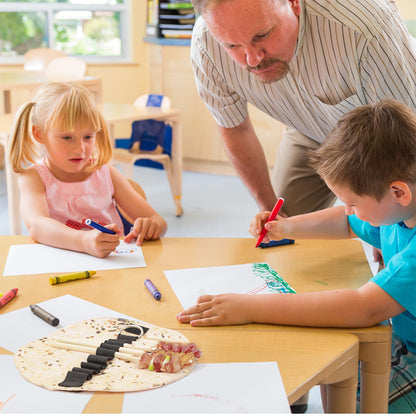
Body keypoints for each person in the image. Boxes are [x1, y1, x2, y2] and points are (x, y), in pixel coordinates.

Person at [177, 99, 416, 413]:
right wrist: (286, 227)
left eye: (353, 202)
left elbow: (362, 307)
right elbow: (345, 222)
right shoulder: (398, 211)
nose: (348, 209)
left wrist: (249, 306)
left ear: (398, 192)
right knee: (335, 366)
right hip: (403, 334)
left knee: (357, 395)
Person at [190, 0, 416, 216]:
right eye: (232, 46)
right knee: (286, 228)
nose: (252, 59)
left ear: (293, 2)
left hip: (389, 134)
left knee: (396, 234)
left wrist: (386, 225)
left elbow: (408, 140)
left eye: (262, 35)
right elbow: (235, 129)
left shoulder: (364, 27)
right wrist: (269, 210)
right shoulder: (206, 45)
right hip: (307, 126)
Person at [8, 82, 167, 258]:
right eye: (67, 137)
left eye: (88, 136)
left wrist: (152, 226)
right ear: (39, 134)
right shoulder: (33, 177)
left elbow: (158, 220)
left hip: (112, 267)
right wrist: (84, 241)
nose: (80, 149)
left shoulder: (107, 173)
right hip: (58, 266)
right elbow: (37, 225)